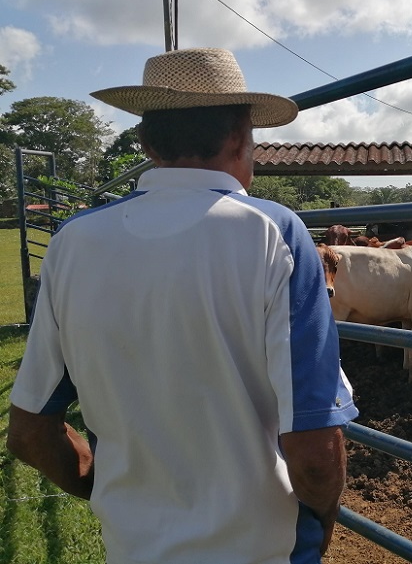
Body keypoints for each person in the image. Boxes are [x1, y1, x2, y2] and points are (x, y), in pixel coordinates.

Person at [7, 47, 358, 564]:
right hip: (263, 548)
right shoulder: (275, 234)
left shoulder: (73, 244)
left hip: (132, 548)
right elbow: (314, 453)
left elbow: (30, 433)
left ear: (146, 141)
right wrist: (324, 523)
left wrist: (109, 493)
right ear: (242, 137)